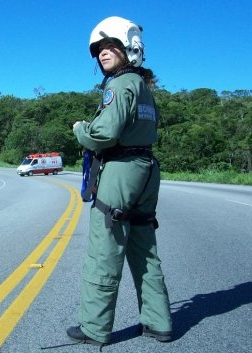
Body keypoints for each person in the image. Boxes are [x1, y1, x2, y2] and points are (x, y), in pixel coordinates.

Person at [67, 16, 173, 347]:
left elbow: (104, 135)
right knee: (144, 250)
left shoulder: (118, 85)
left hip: (121, 171)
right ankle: (159, 323)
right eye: (98, 49)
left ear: (127, 49)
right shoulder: (143, 87)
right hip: (146, 168)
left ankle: (93, 329)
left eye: (109, 46)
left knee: (104, 250)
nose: (102, 53)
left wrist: (80, 130)